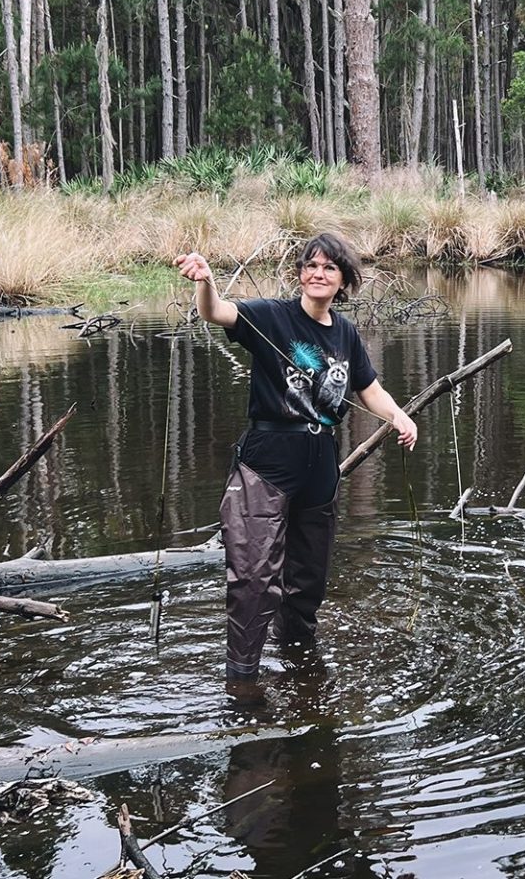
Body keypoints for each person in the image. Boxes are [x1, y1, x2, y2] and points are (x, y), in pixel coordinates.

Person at [173, 233, 417, 700]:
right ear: (300, 273)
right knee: (253, 577)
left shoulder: (344, 332)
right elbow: (216, 312)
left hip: (320, 466)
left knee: (308, 579)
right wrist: (205, 282)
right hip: (267, 463)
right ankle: (241, 682)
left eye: (328, 268)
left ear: (343, 279)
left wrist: (399, 416)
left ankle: (301, 668)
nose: (317, 273)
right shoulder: (272, 315)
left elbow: (369, 391)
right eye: (310, 265)